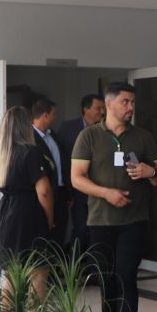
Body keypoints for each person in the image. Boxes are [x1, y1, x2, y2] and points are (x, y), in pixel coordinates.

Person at [70, 81, 157, 312]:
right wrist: (106, 193)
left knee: (127, 277)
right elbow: (77, 178)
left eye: (132, 102)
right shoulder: (89, 136)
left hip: (135, 221)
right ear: (109, 104)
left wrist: (150, 171)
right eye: (125, 102)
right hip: (101, 221)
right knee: (108, 280)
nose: (130, 107)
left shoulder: (143, 137)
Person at [0, 104, 54, 312]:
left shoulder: (4, 154)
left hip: (6, 215)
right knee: (38, 274)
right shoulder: (31, 152)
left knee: (11, 276)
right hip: (29, 215)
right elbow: (44, 191)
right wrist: (49, 218)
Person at [56, 93, 105, 252]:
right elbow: (61, 159)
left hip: (100, 188)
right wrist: (67, 190)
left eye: (103, 108)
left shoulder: (105, 128)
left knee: (97, 230)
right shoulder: (68, 128)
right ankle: (75, 262)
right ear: (86, 109)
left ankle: (93, 263)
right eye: (98, 108)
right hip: (77, 189)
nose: (102, 112)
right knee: (81, 228)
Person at [31, 96, 67, 247]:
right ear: (45, 115)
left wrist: (68, 192)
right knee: (44, 235)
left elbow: (61, 163)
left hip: (60, 192)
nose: (54, 117)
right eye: (53, 114)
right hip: (43, 194)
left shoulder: (52, 135)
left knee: (59, 235)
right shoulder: (30, 138)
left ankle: (56, 262)